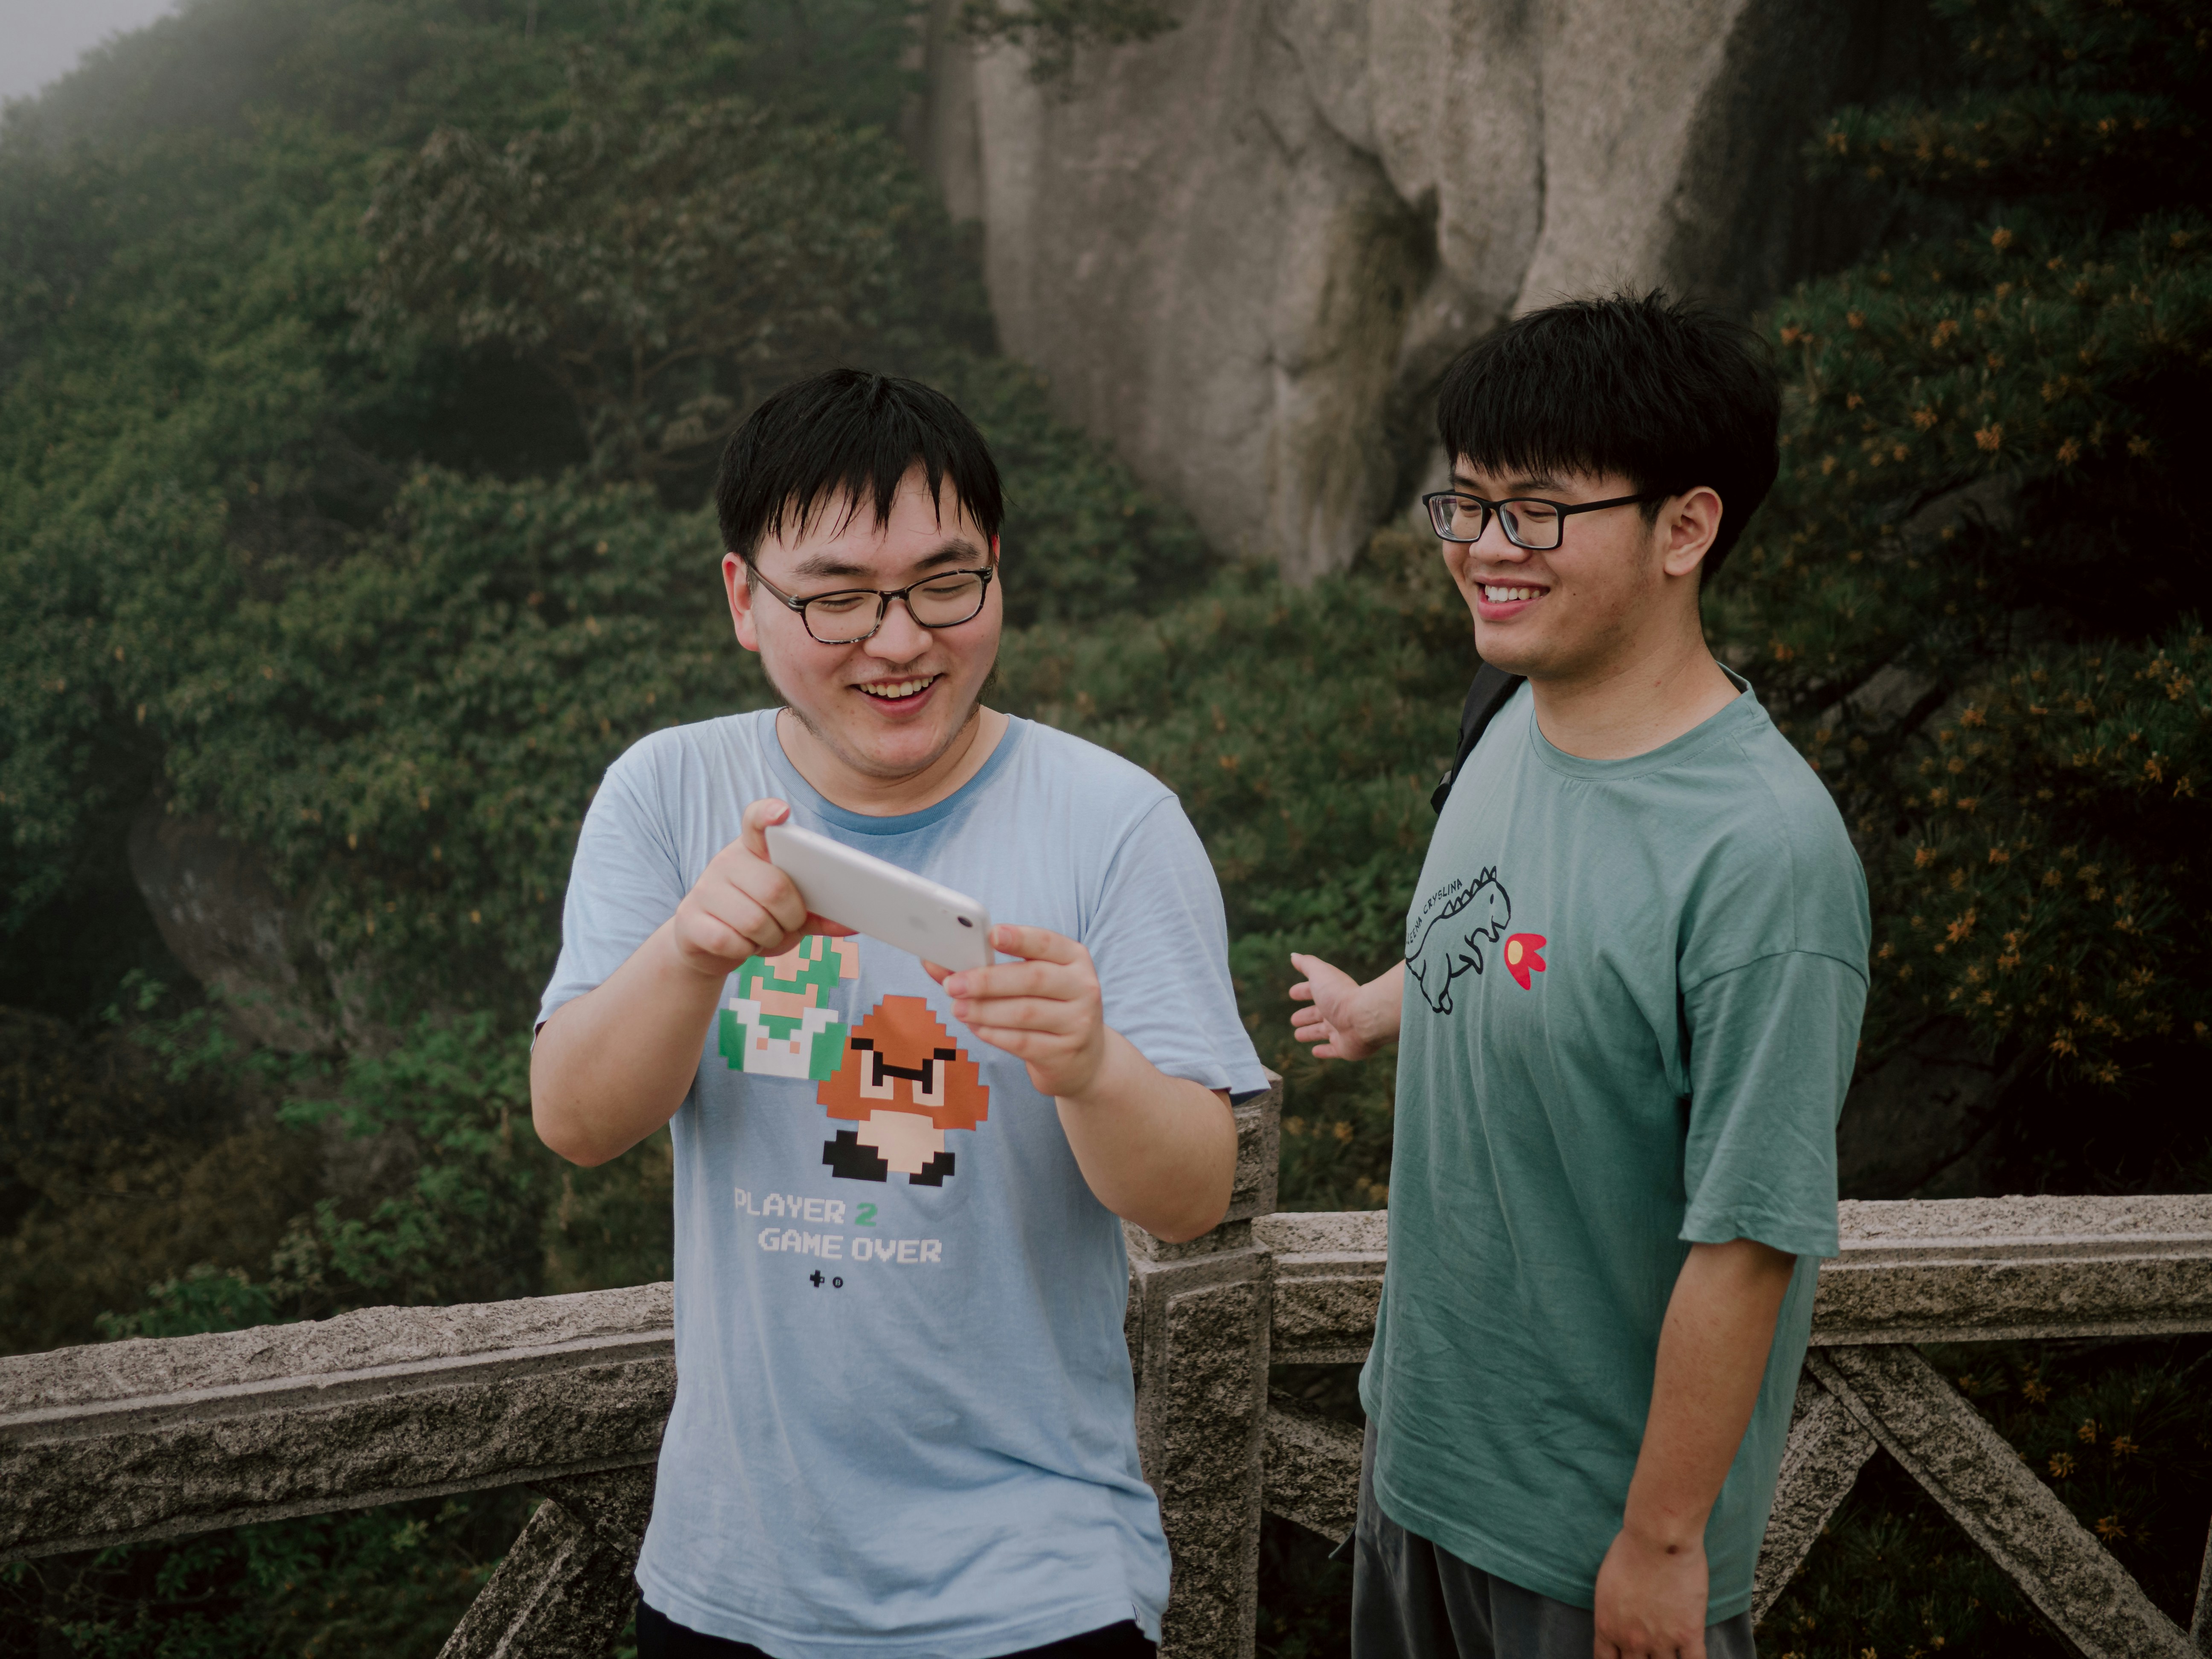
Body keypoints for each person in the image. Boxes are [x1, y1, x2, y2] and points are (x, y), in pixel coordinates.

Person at [532, 369, 1267, 1659]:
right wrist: (693, 954)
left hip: (1039, 1587)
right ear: (743, 602)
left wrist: (1091, 1066)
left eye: (944, 583)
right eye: (836, 597)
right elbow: (578, 1120)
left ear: (997, 571)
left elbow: (1194, 1195)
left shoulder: (1116, 826)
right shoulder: (668, 792)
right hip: (731, 1576)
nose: (900, 638)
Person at [1289, 293, 1870, 1659]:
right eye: (1469, 505)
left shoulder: (1764, 859)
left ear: (1686, 527)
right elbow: (1514, 919)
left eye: (1538, 511)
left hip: (1590, 1537)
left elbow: (1752, 1235)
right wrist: (1384, 1004)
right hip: (1417, 1460)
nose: (1488, 552)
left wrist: (1664, 1545)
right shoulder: (1514, 711)